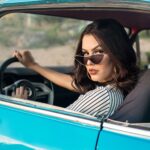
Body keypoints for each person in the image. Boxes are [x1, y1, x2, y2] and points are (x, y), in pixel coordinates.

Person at [12, 19, 139, 120]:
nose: (88, 62)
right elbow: (74, 83)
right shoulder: (117, 89)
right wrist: (33, 65)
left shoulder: (102, 96)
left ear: (117, 54)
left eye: (98, 52)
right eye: (85, 53)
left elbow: (52, 126)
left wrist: (20, 106)